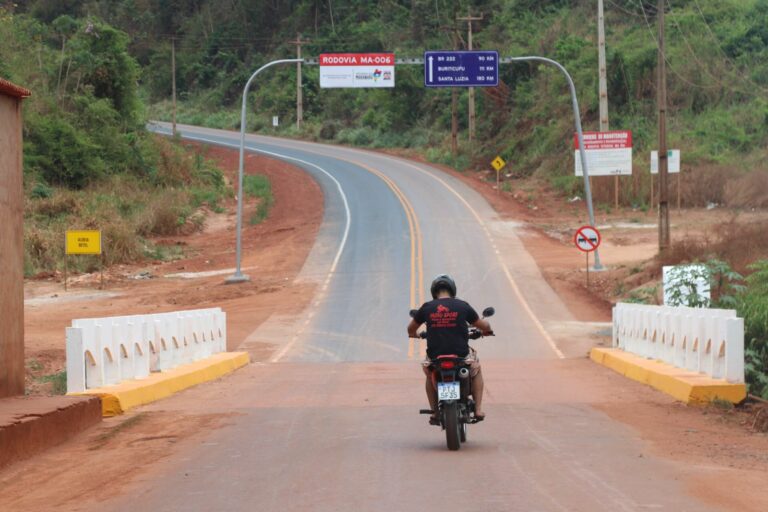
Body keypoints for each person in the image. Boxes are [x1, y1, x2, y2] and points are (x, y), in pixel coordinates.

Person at [407, 274, 492, 423]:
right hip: (460, 355)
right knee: (476, 368)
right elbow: (483, 325)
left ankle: (434, 412)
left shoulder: (427, 307)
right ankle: (478, 409)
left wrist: (415, 334)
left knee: (429, 373)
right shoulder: (462, 305)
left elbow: (410, 329)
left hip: (436, 357)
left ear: (434, 291)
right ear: (452, 290)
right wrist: (486, 331)